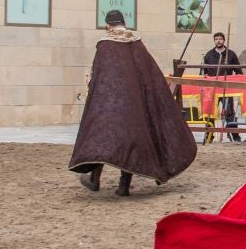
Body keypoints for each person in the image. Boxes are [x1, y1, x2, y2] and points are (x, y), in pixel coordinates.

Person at [69, 10, 198, 196]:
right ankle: (123, 187)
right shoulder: (137, 44)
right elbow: (150, 75)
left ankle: (94, 179)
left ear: (108, 25)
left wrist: (92, 83)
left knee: (99, 139)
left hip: (109, 105)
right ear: (123, 23)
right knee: (130, 142)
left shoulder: (104, 45)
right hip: (134, 107)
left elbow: (99, 76)